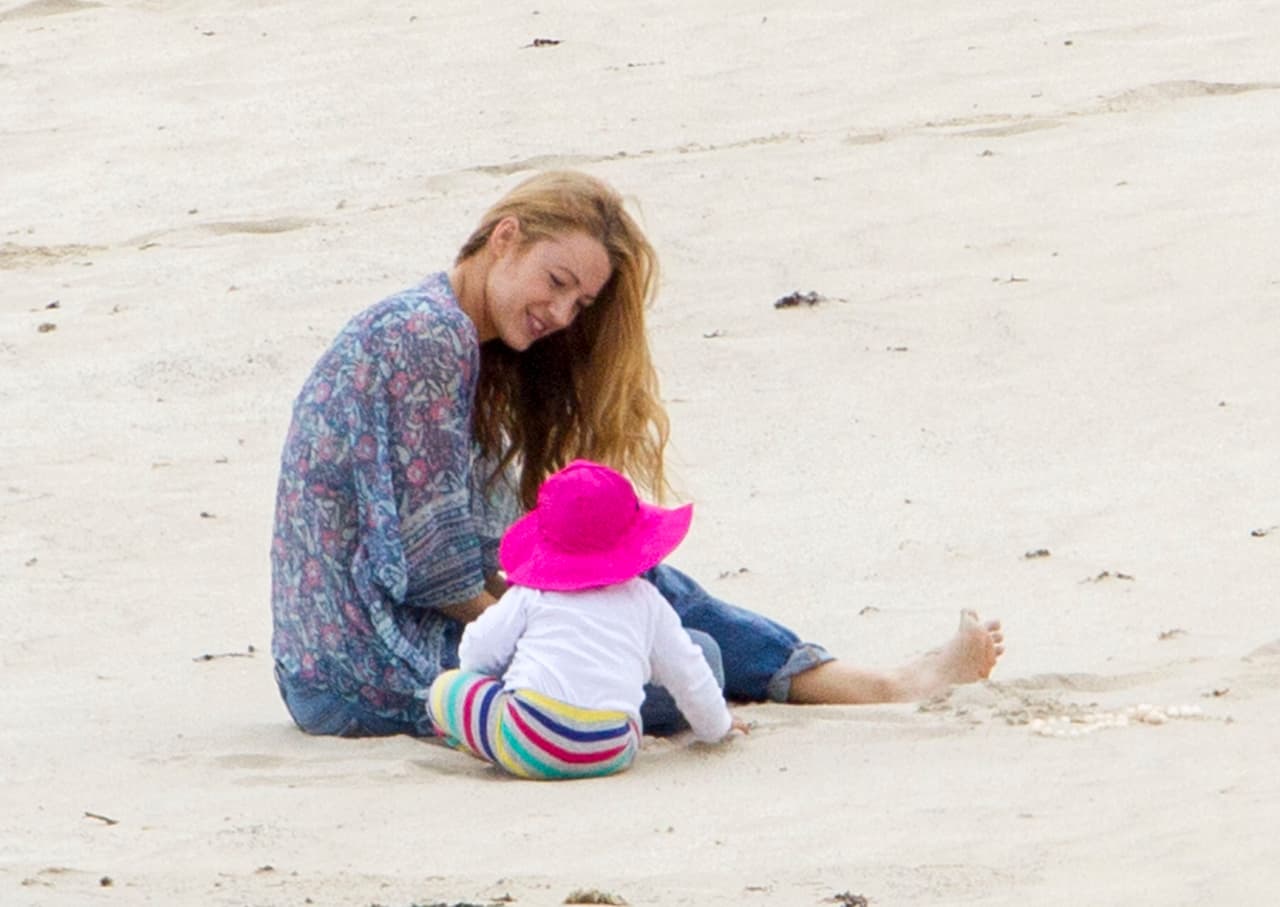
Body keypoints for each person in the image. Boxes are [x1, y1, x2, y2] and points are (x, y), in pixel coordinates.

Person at [270, 169, 1004, 739]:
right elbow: (431, 562)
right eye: (557, 282)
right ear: (505, 237)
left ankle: (872, 683)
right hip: (359, 669)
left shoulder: (451, 333)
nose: (561, 314)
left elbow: (474, 544)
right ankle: (864, 684)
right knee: (691, 659)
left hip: (356, 655)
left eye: (580, 304)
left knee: (629, 577)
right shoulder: (427, 334)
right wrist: (548, 631)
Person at [426, 459, 749, 780]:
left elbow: (481, 648)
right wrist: (717, 727)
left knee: (444, 689)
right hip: (615, 746)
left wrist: (482, 677)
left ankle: (500, 748)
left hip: (531, 736)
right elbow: (688, 670)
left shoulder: (532, 593)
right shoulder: (647, 599)